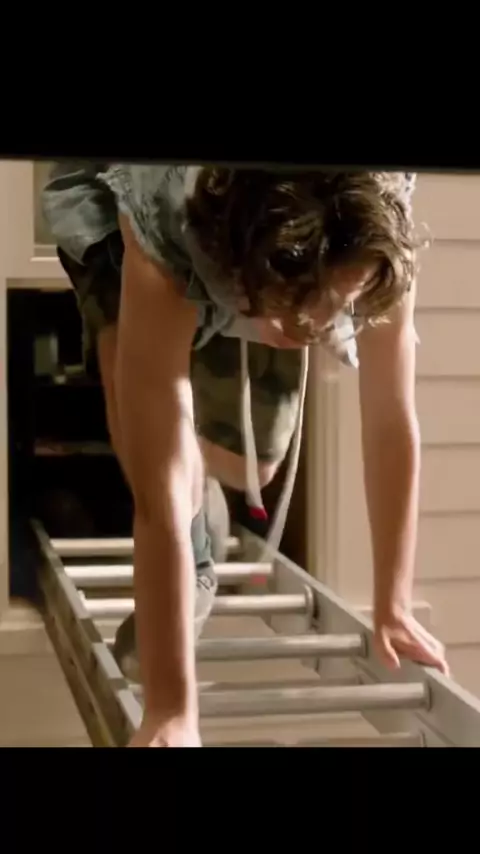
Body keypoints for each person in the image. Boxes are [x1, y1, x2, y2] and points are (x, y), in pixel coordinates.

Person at [41, 164, 448, 748]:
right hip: (137, 202)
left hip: (284, 229)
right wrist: (171, 709)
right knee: (144, 434)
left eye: (335, 308)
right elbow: (160, 489)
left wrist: (394, 602)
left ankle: (210, 491)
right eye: (296, 314)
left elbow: (390, 419)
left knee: (249, 468)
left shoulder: (382, 230)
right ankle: (195, 548)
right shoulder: (164, 222)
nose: (317, 328)